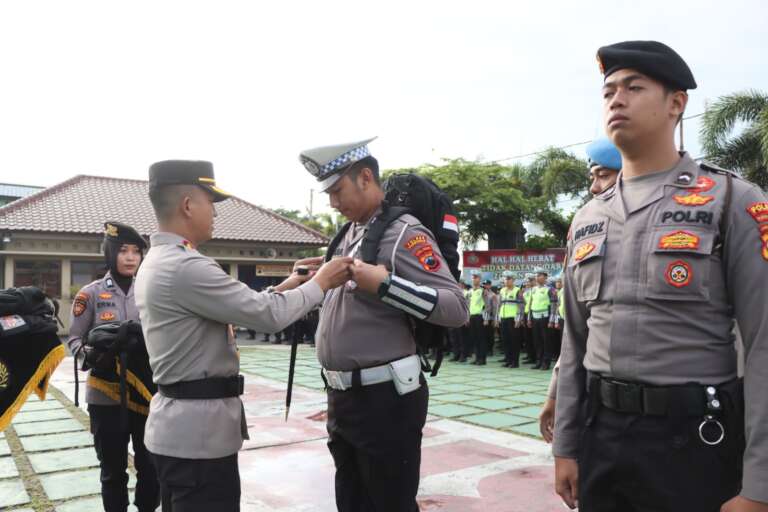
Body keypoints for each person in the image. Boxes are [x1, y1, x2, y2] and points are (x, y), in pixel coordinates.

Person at [554, 41, 768, 512]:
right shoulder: (589, 217)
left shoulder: (732, 201)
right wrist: (565, 445)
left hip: (694, 441)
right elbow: (575, 339)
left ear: (676, 103)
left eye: (634, 87)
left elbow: (763, 346)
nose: (616, 99)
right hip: (602, 434)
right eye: (608, 90)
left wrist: (760, 484)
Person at [134, 160, 352, 511]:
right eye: (210, 203)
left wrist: (292, 283)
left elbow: (238, 308)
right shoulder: (186, 266)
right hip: (198, 439)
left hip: (185, 432)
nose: (215, 214)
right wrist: (322, 282)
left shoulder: (163, 260)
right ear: (188, 205)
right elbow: (268, 316)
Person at [299, 138, 468, 511]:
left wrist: (387, 286)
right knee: (353, 502)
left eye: (338, 190)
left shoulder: (404, 233)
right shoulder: (349, 236)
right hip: (344, 399)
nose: (333, 202)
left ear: (365, 177)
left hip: (386, 402)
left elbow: (456, 308)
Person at [67, 222, 159, 512]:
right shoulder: (91, 294)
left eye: (136, 251)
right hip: (105, 394)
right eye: (123, 251)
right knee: (112, 470)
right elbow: (73, 339)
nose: (131, 257)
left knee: (151, 467)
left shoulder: (154, 291)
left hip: (148, 394)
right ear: (110, 254)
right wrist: (90, 356)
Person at [539, 136, 621, 443]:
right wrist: (556, 393)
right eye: (593, 177)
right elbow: (577, 330)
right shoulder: (587, 224)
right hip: (603, 405)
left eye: (604, 175)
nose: (594, 187)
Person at [527, 270, 556, 370]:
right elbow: (531, 304)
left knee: (546, 341)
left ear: (545, 277)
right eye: (536, 275)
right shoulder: (533, 289)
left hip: (545, 317)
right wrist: (529, 319)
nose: (537, 277)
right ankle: (539, 361)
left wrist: (552, 320)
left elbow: (553, 305)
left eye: (539, 275)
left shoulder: (550, 289)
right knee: (537, 341)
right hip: (535, 317)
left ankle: (546, 362)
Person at [497, 272, 525, 368]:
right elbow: (499, 305)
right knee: (506, 340)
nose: (506, 280)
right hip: (503, 318)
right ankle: (508, 360)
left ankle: (515, 362)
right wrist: (498, 317)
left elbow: (521, 306)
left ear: (513, 280)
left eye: (509, 279)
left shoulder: (518, 290)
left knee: (514, 341)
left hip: (513, 319)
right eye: (505, 279)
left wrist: (518, 319)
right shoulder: (502, 290)